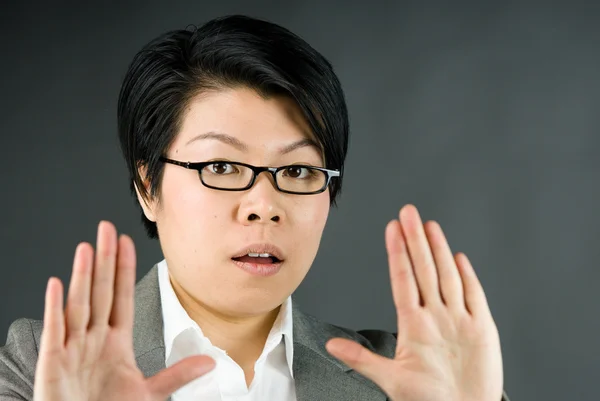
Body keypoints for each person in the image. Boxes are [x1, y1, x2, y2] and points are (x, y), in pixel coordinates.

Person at [0, 15, 510, 401]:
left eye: (297, 171)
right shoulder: (41, 366)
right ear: (147, 187)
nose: (263, 206)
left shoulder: (403, 378)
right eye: (221, 167)